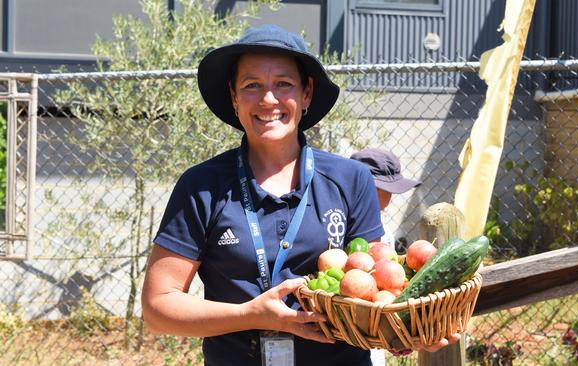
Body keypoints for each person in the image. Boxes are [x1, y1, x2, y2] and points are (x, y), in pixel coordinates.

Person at [141, 24, 459, 366]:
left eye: (283, 84)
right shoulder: (202, 186)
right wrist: (253, 315)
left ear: (306, 94)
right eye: (251, 86)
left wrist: (401, 328)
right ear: (234, 97)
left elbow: (375, 283)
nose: (268, 99)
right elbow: (159, 308)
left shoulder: (350, 179)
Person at [351, 148, 421, 366]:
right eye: (382, 188)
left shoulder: (385, 235)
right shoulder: (335, 226)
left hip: (372, 345)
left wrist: (396, 333)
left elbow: (387, 291)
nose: (390, 196)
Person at [350, 148, 421, 248]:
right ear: (373, 189)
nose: (391, 195)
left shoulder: (384, 234)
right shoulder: (381, 235)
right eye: (389, 190)